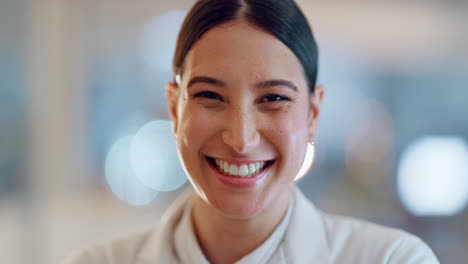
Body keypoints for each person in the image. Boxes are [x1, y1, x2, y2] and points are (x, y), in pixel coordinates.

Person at [64, 0, 439, 263]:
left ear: (312, 113)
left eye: (273, 98)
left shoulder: (391, 259)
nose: (241, 140)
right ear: (175, 109)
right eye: (210, 95)